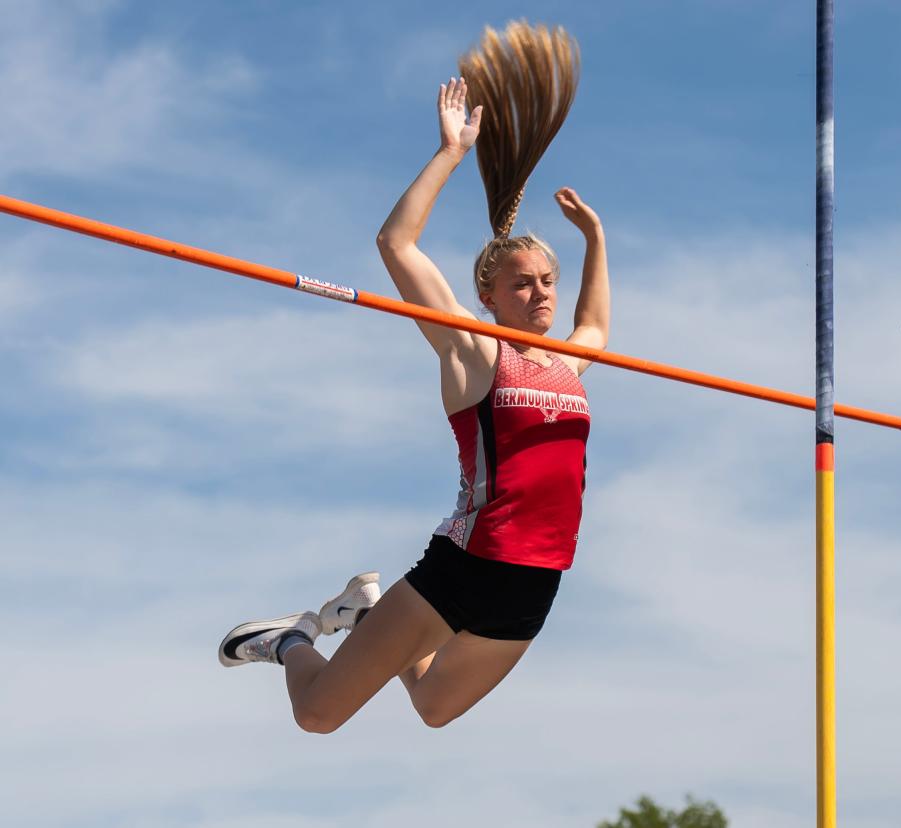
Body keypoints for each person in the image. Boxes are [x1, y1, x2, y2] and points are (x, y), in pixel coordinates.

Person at [217, 22, 608, 733]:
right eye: (523, 284)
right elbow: (395, 243)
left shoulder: (568, 364)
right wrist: (452, 153)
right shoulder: (475, 350)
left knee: (431, 707)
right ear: (488, 296)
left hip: (538, 581)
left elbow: (597, 330)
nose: (543, 293)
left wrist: (596, 241)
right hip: (467, 566)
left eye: (550, 281)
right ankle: (293, 640)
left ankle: (363, 613)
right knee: (319, 714)